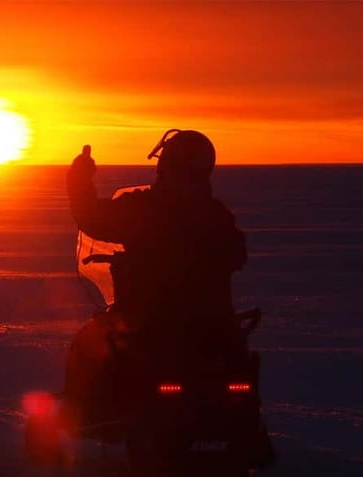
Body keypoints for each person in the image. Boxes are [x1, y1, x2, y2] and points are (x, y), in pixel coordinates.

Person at [64, 130, 247, 421]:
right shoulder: (216, 214)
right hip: (211, 328)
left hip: (151, 325)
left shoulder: (145, 208)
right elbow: (237, 255)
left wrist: (79, 179)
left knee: (90, 342)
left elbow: (92, 217)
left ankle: (87, 421)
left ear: (166, 165)